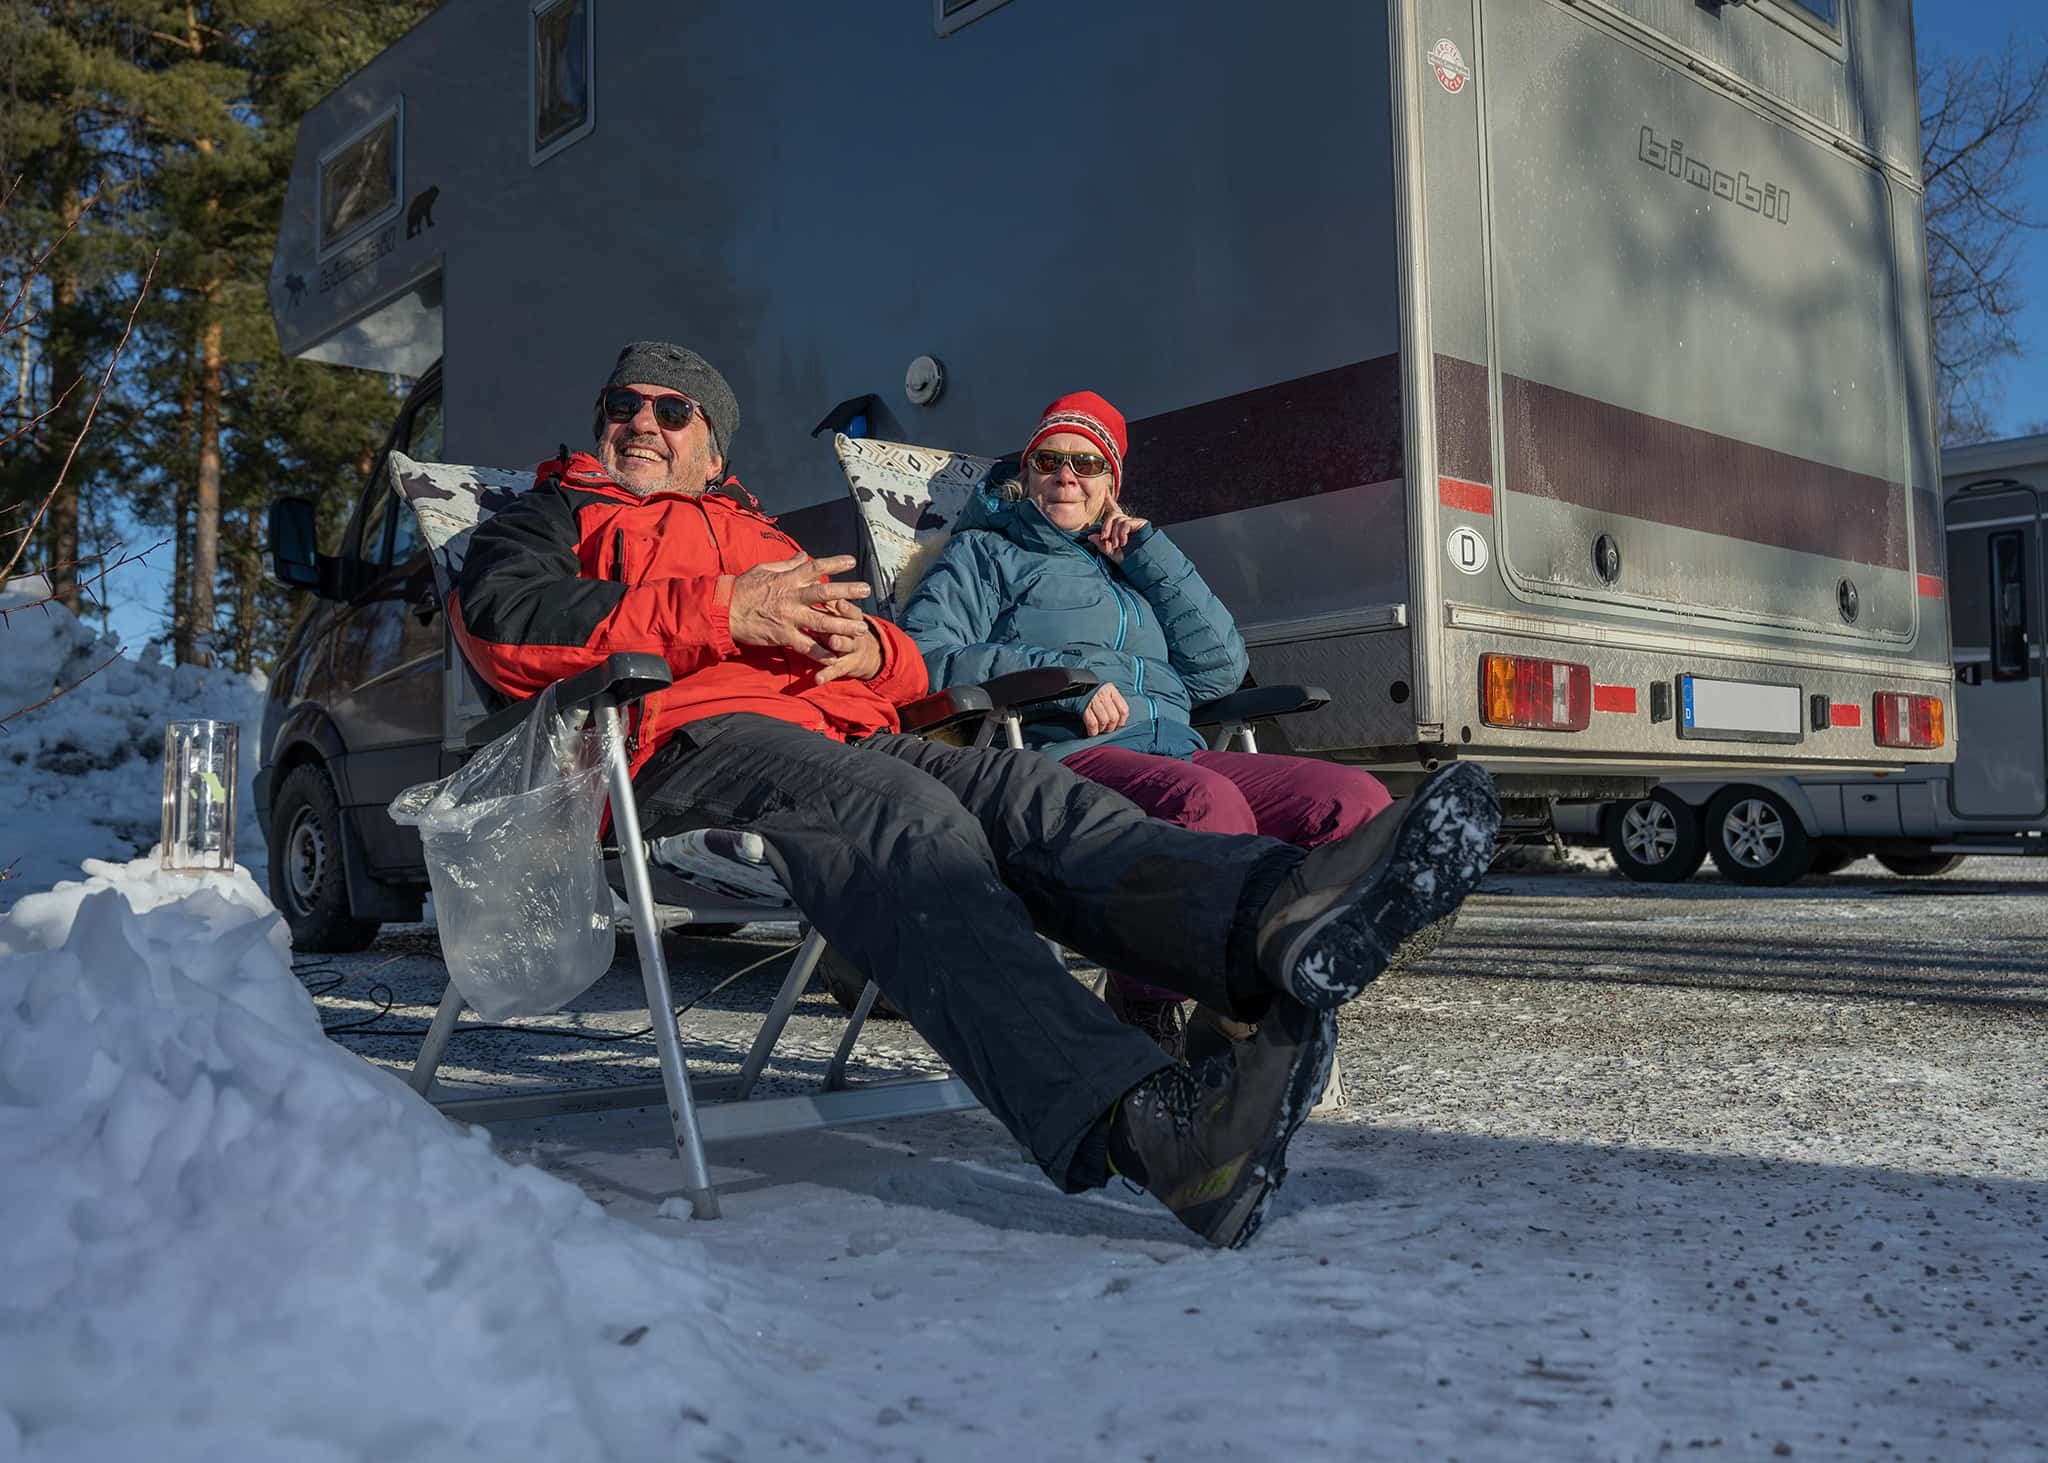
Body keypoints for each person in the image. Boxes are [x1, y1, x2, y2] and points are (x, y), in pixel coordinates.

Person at [450, 341, 1500, 1249]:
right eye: (622, 407)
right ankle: (1151, 1128)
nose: (640, 421)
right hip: (679, 747)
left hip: (844, 735)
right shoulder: (551, 515)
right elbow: (503, 628)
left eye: (669, 411)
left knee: (1027, 789)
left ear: (711, 445)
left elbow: (914, 671)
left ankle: (1270, 916)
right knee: (909, 825)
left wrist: (874, 647)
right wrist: (720, 609)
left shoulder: (763, 537)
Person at [896, 391, 1402, 1057]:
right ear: (1029, 468)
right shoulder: (986, 554)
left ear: (1112, 484)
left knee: (1358, 805)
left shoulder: (1131, 569)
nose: (1066, 474)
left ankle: (1261, 995)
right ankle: (1145, 997)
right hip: (1067, 758)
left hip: (1178, 750)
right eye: (1049, 458)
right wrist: (1058, 684)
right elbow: (922, 658)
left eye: (1086, 463)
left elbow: (1219, 670)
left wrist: (1150, 555)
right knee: (1208, 811)